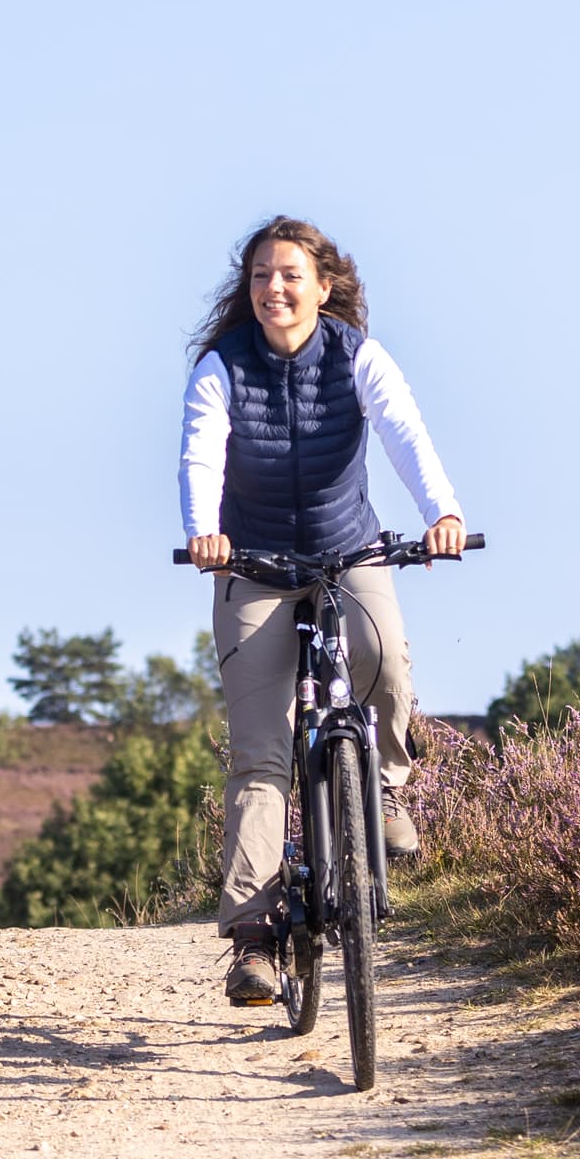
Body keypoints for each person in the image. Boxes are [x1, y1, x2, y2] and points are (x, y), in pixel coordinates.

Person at [179, 216, 466, 1007]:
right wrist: (203, 530)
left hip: (348, 549)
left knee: (384, 658)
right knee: (261, 755)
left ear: (323, 285)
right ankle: (254, 938)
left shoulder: (356, 357)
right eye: (262, 276)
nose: (275, 288)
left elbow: (403, 431)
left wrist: (442, 512)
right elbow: (201, 448)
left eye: (290, 275)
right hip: (255, 565)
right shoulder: (222, 368)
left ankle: (389, 788)